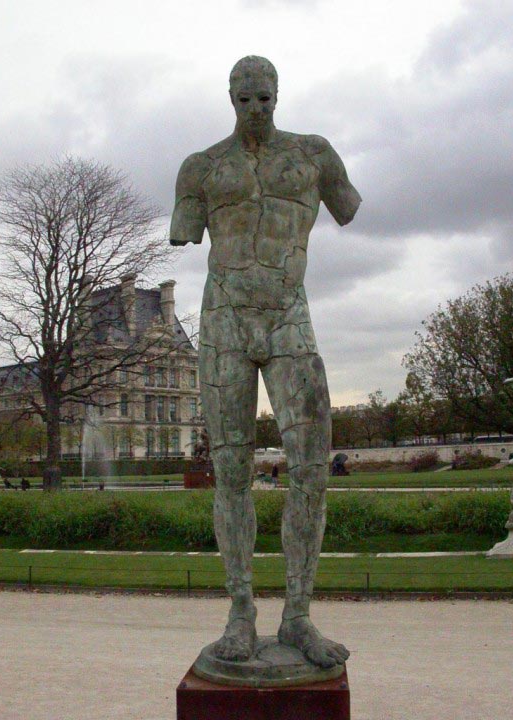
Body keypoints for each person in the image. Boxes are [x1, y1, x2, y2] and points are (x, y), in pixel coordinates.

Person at [170, 56, 361, 668]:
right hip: (223, 323)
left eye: (264, 97)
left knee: (310, 466)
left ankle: (299, 615)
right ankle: (241, 611)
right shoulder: (201, 167)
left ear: (278, 94)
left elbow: (347, 205)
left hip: (288, 319)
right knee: (230, 474)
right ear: (230, 97)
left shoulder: (312, 155)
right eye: (245, 98)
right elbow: (183, 231)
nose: (256, 107)